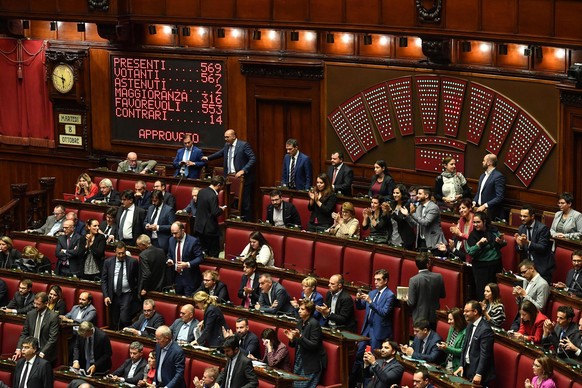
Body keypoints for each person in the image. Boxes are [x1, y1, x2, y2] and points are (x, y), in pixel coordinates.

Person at [204, 129, 256, 220]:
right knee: (230, 200)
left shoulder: (243, 145)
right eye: (225, 137)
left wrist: (243, 170)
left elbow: (252, 158)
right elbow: (220, 153)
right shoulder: (227, 145)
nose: (225, 139)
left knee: (245, 203)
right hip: (229, 178)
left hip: (243, 179)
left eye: (227, 137)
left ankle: (248, 223)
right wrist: (208, 158)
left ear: (234, 136)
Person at [354, 269, 395, 383]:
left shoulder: (390, 295)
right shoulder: (372, 293)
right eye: (375, 279)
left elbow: (384, 312)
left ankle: (369, 384)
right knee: (359, 355)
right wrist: (357, 299)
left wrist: (371, 302)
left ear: (385, 281)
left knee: (372, 359)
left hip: (378, 331)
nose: (375, 282)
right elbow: (360, 306)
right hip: (367, 328)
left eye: (378, 280)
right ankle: (356, 382)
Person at [284, 299, 327, 387]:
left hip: (311, 363)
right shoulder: (300, 323)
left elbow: (314, 345)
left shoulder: (314, 324)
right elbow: (297, 343)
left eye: (302, 309)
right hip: (300, 360)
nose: (299, 311)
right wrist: (292, 339)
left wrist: (299, 337)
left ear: (309, 311)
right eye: (299, 308)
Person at [454, 300, 495, 386]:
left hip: (479, 372)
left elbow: (485, 354)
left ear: (475, 312)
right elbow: (464, 347)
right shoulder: (469, 325)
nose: (464, 313)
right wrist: (461, 365)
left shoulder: (485, 330)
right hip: (467, 368)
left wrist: (479, 374)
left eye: (467, 311)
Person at [466, 212, 506, 300]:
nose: (475, 225)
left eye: (478, 222)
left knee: (495, 291)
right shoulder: (473, 235)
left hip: (495, 265)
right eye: (474, 222)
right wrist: (479, 244)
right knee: (483, 292)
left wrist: (500, 242)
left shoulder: (493, 230)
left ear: (484, 222)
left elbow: (503, 242)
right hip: (481, 268)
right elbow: (470, 252)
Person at [102, 242, 139, 330]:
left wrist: (136, 291)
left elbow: (138, 278)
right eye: (119, 253)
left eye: (123, 253)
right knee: (114, 319)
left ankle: (126, 333)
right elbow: (104, 280)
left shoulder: (133, 261)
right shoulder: (108, 262)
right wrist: (106, 295)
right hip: (113, 294)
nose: (121, 255)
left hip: (127, 294)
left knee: (124, 318)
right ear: (115, 251)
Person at [14, 292, 59, 363]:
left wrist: (42, 353)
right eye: (34, 303)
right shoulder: (30, 314)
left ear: (46, 303)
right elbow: (24, 333)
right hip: (30, 349)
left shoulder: (53, 317)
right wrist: (19, 348)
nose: (35, 306)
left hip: (45, 352)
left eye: (38, 304)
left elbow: (52, 338)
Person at [515, 205, 554, 284]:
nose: (522, 218)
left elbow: (542, 247)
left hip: (541, 267)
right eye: (521, 216)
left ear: (532, 216)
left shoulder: (543, 228)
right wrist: (521, 246)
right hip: (527, 267)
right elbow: (519, 251)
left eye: (525, 216)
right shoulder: (521, 228)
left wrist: (528, 242)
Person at [406, 252, 446, 328]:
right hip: (434, 316)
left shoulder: (413, 280)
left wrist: (407, 298)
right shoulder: (438, 277)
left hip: (419, 318)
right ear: (428, 264)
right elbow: (442, 295)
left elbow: (411, 303)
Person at [401, 186, 446, 252]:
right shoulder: (419, 207)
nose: (417, 195)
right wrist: (407, 215)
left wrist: (413, 213)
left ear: (426, 195)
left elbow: (426, 223)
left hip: (433, 241)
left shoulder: (433, 207)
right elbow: (415, 224)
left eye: (419, 194)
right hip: (421, 240)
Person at [167, 221, 204, 296]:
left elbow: (200, 258)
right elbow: (169, 254)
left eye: (176, 233)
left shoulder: (193, 241)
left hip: (190, 278)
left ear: (182, 231)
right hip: (176, 277)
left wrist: (187, 264)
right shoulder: (171, 240)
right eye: (172, 233)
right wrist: (169, 260)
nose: (174, 236)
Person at [193, 175, 226, 257]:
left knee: (203, 252)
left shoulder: (201, 191)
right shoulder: (213, 195)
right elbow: (215, 212)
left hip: (199, 227)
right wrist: (222, 209)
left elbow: (201, 206)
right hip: (210, 230)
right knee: (214, 252)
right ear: (218, 185)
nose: (221, 188)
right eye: (222, 186)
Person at [473, 153, 505, 222]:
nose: (482, 162)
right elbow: (479, 192)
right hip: (479, 211)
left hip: (491, 213)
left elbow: (499, 197)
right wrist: (474, 202)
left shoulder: (498, 176)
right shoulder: (482, 175)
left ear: (489, 163)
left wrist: (485, 205)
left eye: (484, 161)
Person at [436, 307, 467, 371]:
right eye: (448, 319)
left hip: (457, 365)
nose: (448, 322)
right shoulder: (452, 328)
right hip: (447, 362)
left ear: (458, 320)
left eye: (451, 319)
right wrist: (444, 346)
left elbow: (462, 351)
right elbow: (448, 344)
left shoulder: (465, 332)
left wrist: (447, 348)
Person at [390, 184, 415, 249]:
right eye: (394, 193)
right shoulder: (392, 204)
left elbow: (401, 220)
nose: (395, 195)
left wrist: (391, 212)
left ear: (402, 194)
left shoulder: (408, 205)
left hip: (404, 238)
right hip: (392, 236)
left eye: (397, 193)